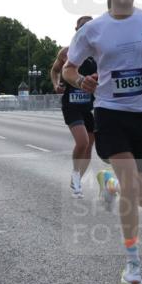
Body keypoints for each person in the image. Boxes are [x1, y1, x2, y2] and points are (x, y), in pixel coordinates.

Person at [62, 0, 142, 284]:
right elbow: (69, 68)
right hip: (109, 112)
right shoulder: (93, 30)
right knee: (131, 186)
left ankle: (108, 182)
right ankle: (133, 263)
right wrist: (81, 80)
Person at [51, 15, 96, 198]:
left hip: (88, 106)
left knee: (89, 146)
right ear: (76, 30)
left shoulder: (98, 53)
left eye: (90, 27)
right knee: (82, 142)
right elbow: (55, 70)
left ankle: (77, 178)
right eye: (83, 27)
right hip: (71, 105)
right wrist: (56, 84)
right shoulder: (66, 52)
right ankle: (76, 175)